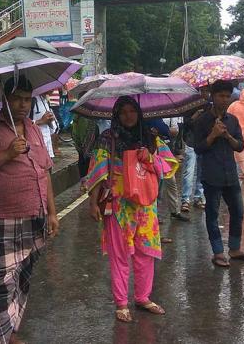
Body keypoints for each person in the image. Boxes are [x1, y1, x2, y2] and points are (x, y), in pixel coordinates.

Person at [0, 75, 59, 344]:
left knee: (23, 278)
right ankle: (3, 337)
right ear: (4, 99)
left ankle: (9, 330)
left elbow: (44, 172)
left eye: (27, 100)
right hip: (2, 218)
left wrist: (52, 212)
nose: (22, 105)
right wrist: (6, 154)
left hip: (35, 215)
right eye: (17, 98)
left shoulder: (32, 129)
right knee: (1, 283)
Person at [81, 96, 165, 323]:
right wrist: (93, 203)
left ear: (139, 112)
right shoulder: (108, 139)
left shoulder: (149, 137)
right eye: (123, 112)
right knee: (120, 255)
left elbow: (165, 167)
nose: (128, 116)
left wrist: (149, 159)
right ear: (116, 116)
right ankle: (121, 303)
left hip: (146, 206)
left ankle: (143, 297)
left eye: (132, 111)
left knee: (146, 253)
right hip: (118, 206)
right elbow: (97, 172)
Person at [194, 80, 244, 268]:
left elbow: (240, 146)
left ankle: (234, 249)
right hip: (211, 175)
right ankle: (217, 252)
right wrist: (213, 135)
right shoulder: (202, 120)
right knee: (212, 214)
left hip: (230, 174)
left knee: (238, 211)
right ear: (212, 97)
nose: (224, 100)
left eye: (227, 96)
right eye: (220, 96)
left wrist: (227, 136)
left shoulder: (232, 120)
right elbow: (198, 148)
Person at [31, 92, 57, 159]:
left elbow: (52, 130)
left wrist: (51, 120)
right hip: (35, 147)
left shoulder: (45, 100)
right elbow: (22, 123)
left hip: (47, 146)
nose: (53, 89)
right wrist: (40, 121)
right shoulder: (32, 100)